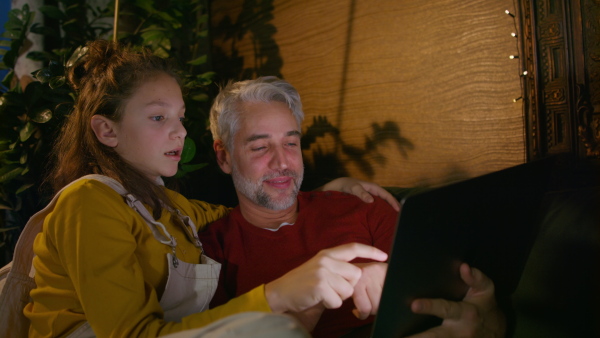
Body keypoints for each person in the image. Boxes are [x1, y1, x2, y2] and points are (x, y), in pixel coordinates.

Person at [22, 40, 403, 337]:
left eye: (180, 117)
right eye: (158, 117)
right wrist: (280, 294)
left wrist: (329, 190)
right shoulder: (88, 202)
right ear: (107, 130)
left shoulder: (172, 208)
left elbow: (258, 205)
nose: (180, 131)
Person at [200, 76, 507, 337]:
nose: (282, 163)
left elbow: (478, 312)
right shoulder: (211, 251)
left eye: (291, 143)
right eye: (260, 146)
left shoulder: (364, 208)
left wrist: (488, 317)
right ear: (224, 156)